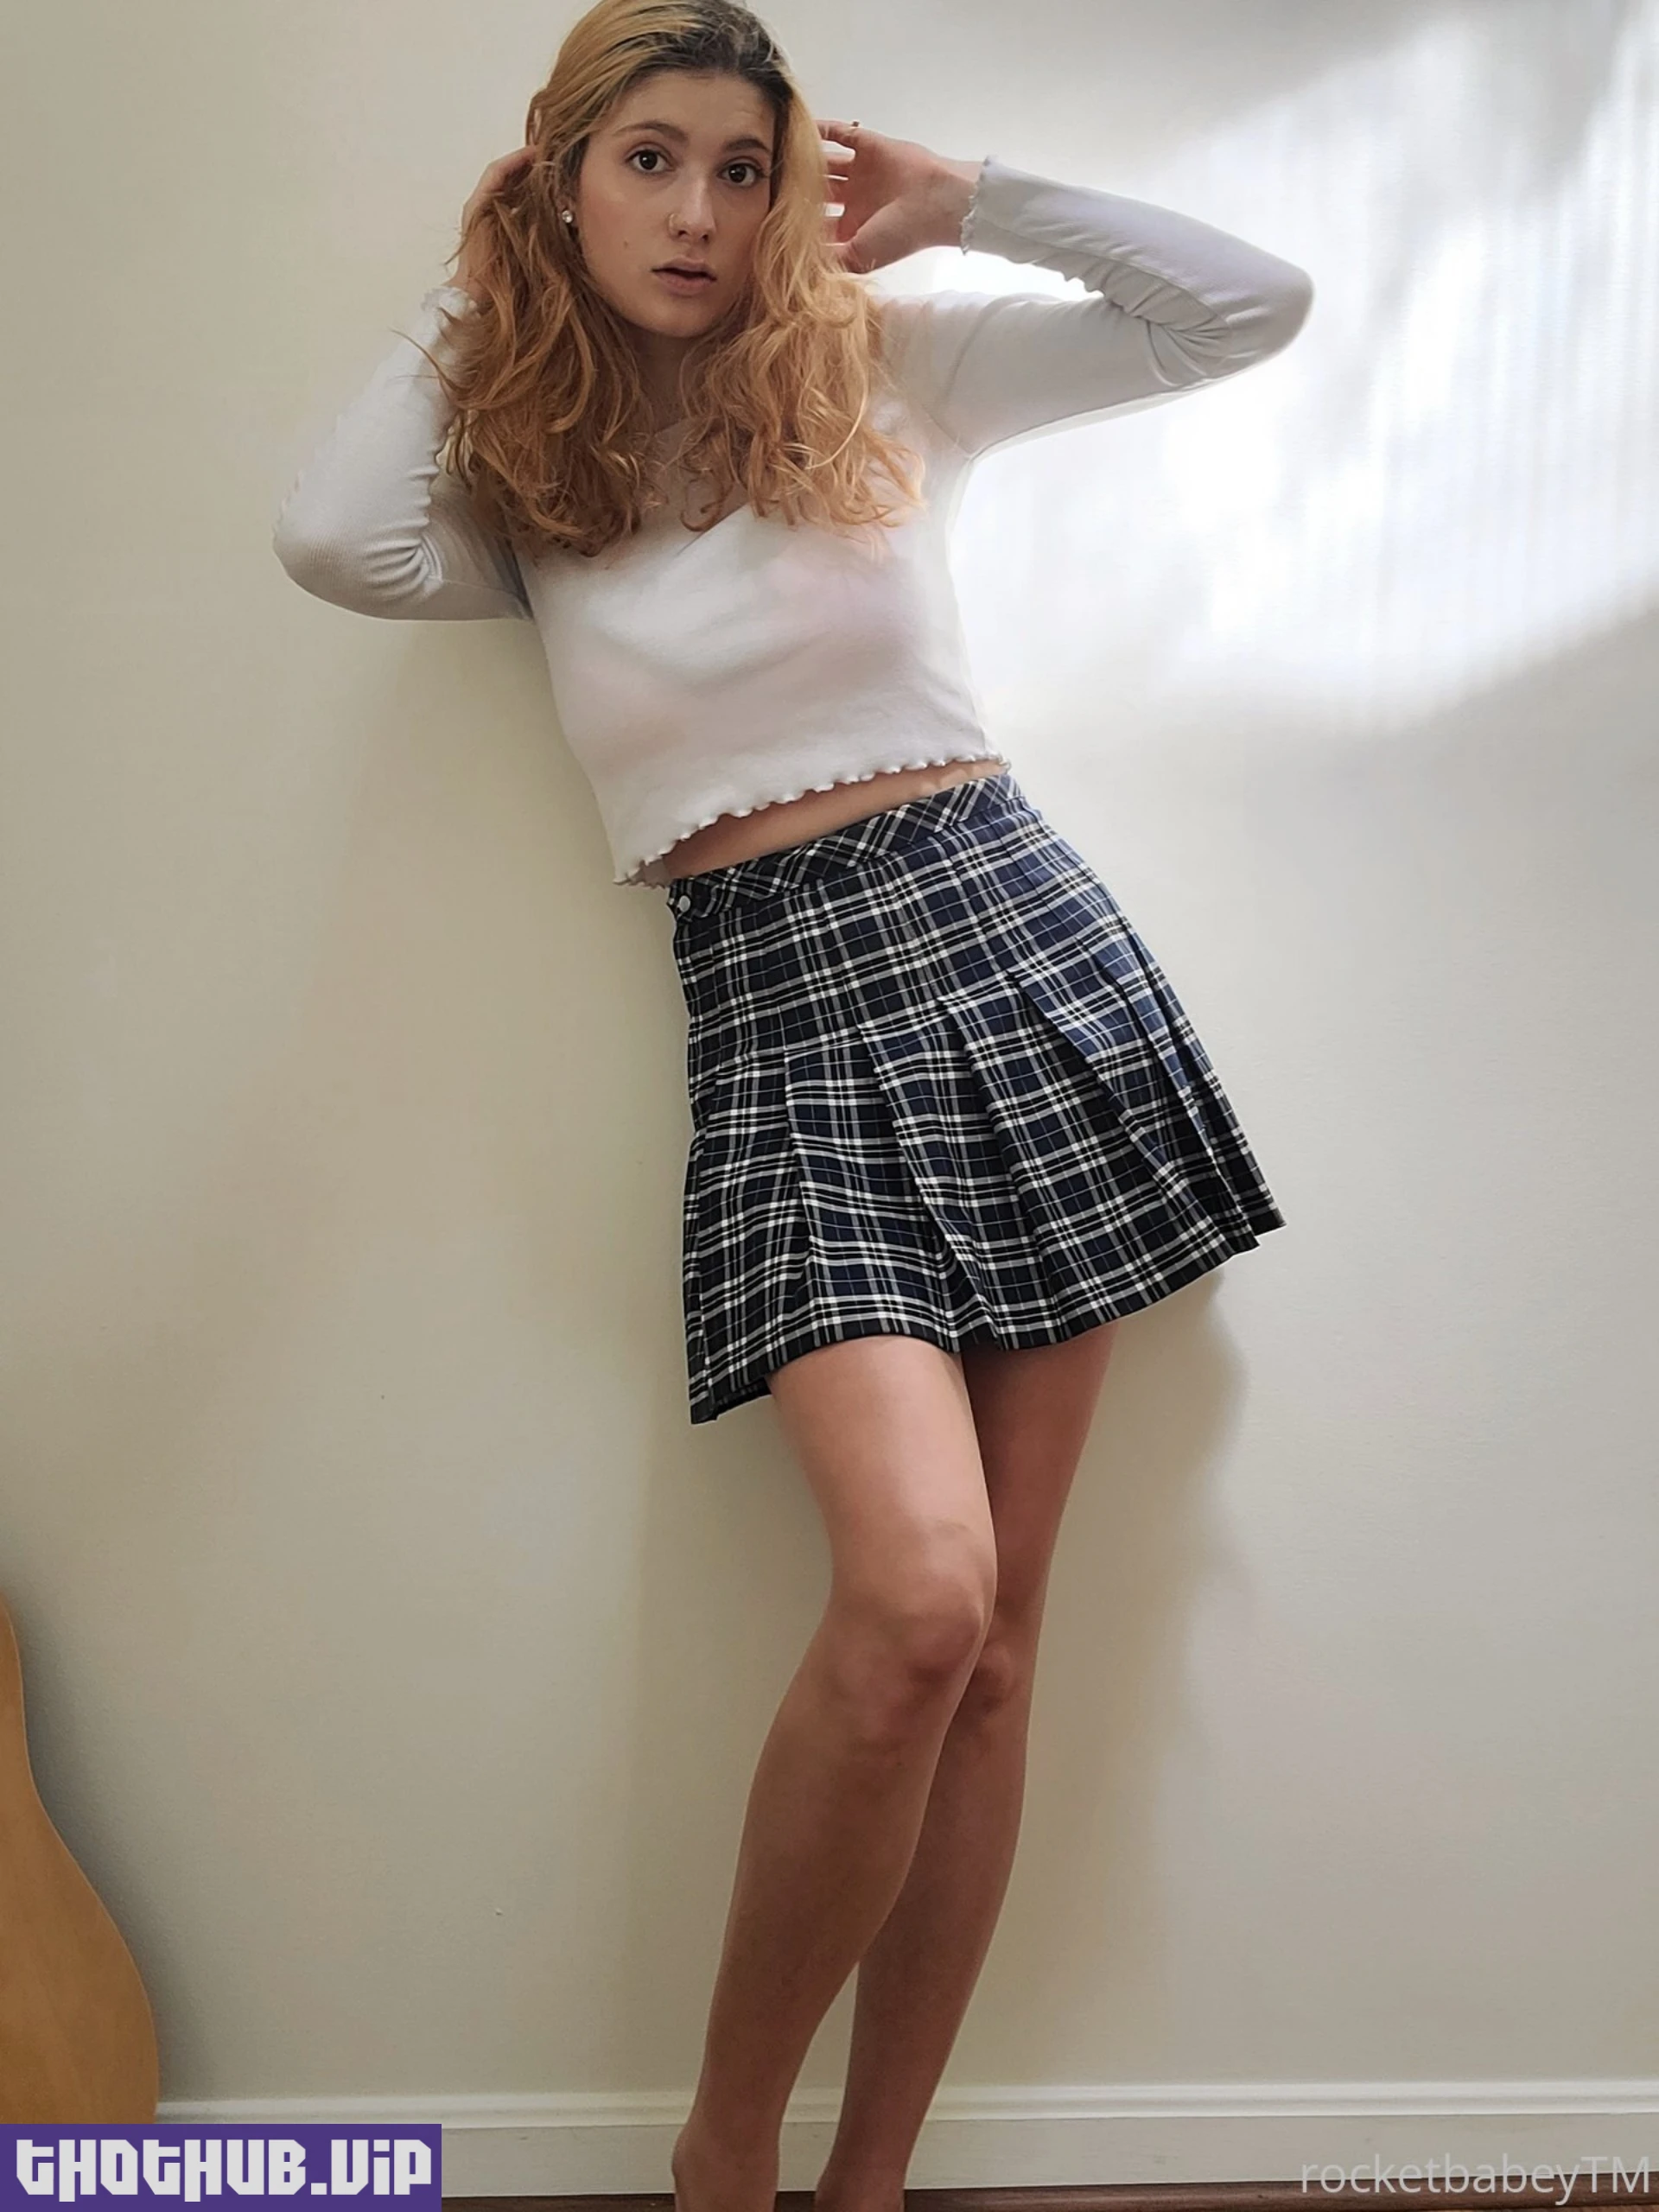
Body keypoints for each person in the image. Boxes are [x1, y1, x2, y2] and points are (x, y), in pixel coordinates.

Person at [271, 2, 1313, 2203]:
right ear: (564, 175)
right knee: (917, 1594)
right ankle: (726, 2151)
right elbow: (330, 540)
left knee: (995, 1655)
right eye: (648, 160)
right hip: (773, 1012)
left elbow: (1245, 306)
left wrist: (972, 202)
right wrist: (487, 265)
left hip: (1009, 946)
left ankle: (870, 2183)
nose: (701, 212)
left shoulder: (884, 370)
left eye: (744, 170)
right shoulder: (530, 476)